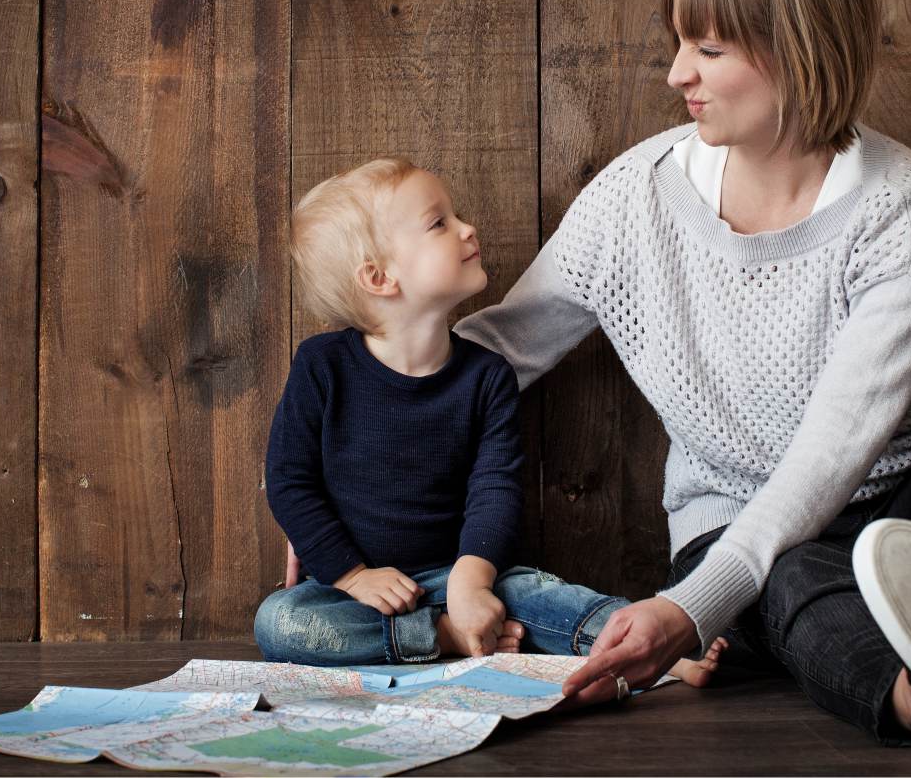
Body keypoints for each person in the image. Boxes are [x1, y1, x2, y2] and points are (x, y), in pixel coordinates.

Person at [452, 0, 911, 771]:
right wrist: (350, 446)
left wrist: (691, 613)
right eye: (680, 44)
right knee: (794, 570)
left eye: (709, 49)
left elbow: (833, 452)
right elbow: (498, 351)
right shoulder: (633, 201)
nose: (675, 74)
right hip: (739, 534)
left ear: (796, 48)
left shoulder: (909, 211)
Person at [254, 157, 725, 686]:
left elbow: (494, 489)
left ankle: (651, 646)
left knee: (540, 596)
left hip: (459, 571)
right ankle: (443, 638)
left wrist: (472, 582)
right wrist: (352, 575)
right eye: (439, 223)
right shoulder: (323, 366)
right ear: (379, 277)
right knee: (281, 622)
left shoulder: (485, 377)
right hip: (356, 593)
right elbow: (291, 481)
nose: (466, 228)